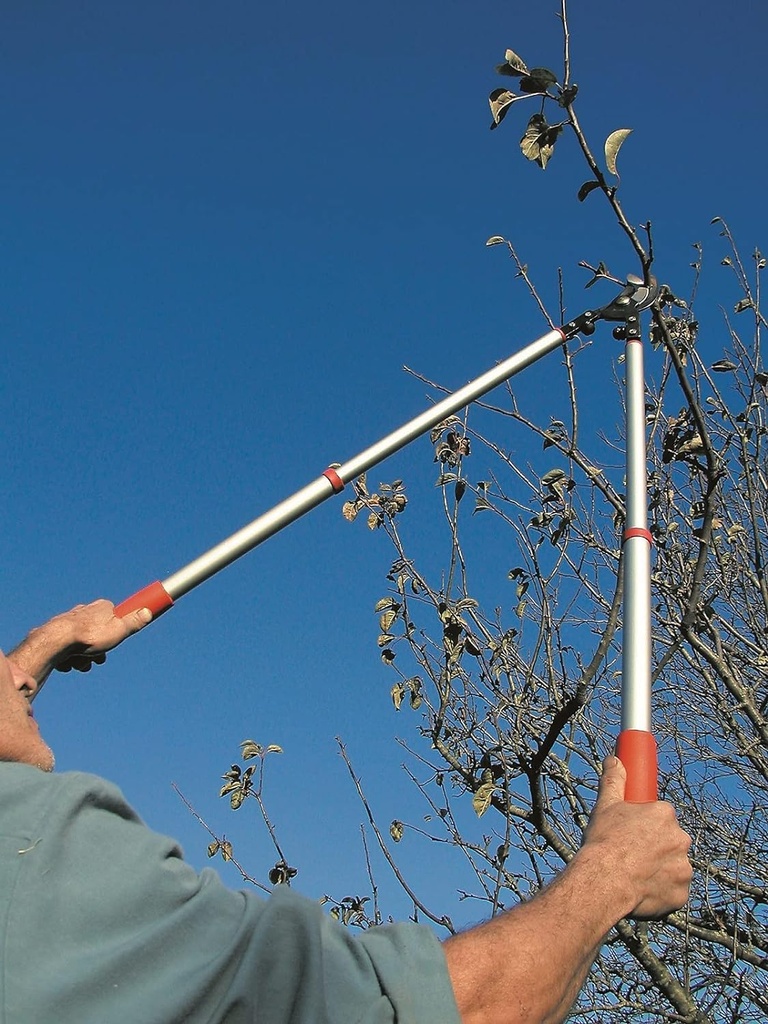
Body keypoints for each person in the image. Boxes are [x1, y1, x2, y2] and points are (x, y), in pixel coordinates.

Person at [1, 600, 692, 1024]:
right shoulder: (40, 847)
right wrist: (611, 875)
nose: (17, 672)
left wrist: (40, 647)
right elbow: (445, 1014)